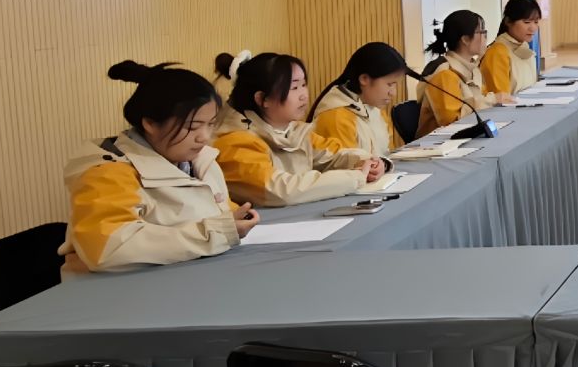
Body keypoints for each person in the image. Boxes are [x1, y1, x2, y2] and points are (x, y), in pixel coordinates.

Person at [64, 61, 257, 271]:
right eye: (192, 127)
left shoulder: (199, 160)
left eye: (210, 124)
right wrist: (216, 232)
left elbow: (215, 214)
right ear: (150, 123)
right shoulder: (108, 174)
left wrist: (236, 217)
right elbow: (109, 248)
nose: (204, 137)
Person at [215, 51, 387, 208]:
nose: (304, 95)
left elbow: (333, 154)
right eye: (294, 88)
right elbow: (282, 191)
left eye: (304, 84)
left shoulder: (293, 129)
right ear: (262, 99)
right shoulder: (235, 141)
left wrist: (368, 162)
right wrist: (354, 177)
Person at [418, 10, 513, 135]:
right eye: (481, 32)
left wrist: (493, 100)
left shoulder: (472, 68)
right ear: (465, 39)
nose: (485, 36)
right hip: (442, 141)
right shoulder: (444, 73)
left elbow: (482, 98)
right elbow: (452, 121)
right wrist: (492, 100)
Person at [311, 41, 408, 158]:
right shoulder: (336, 117)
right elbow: (348, 165)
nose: (393, 93)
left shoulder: (376, 109)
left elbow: (388, 155)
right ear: (364, 79)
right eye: (389, 84)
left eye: (395, 85)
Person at [480, 0, 543, 99]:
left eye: (536, 22)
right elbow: (501, 99)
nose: (533, 28)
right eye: (526, 22)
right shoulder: (497, 52)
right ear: (508, 21)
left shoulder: (524, 47)